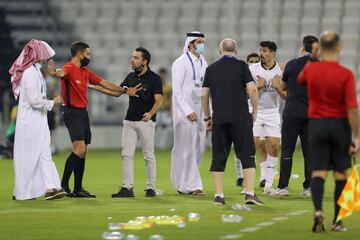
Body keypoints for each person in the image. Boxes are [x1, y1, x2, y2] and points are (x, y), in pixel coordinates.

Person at [47, 41, 139, 198]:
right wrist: (52, 71)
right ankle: (62, 185)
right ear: (80, 54)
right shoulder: (70, 68)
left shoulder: (85, 71)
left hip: (83, 113)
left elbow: (104, 83)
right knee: (79, 149)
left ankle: (77, 189)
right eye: (88, 54)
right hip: (71, 112)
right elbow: (60, 73)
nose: (89, 57)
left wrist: (124, 90)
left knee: (83, 153)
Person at [298, 31, 360, 232]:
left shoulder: (312, 71)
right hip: (339, 125)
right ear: (339, 47)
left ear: (320, 48)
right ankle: (337, 220)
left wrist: (314, 57)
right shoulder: (345, 74)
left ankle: (318, 211)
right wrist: (356, 136)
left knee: (318, 172)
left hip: (316, 125)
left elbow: (301, 79)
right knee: (341, 173)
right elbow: (352, 108)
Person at [90, 47, 163, 198]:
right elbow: (117, 92)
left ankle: (151, 188)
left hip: (145, 121)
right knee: (126, 154)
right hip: (129, 121)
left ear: (145, 61)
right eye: (132, 57)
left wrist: (150, 114)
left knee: (149, 155)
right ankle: (127, 187)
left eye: (136, 58)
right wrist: (93, 87)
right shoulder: (130, 76)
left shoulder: (154, 78)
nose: (132, 60)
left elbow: (159, 100)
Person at [202, 38, 263, 205]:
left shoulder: (211, 69)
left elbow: (204, 95)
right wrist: (255, 111)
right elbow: (252, 89)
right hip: (240, 118)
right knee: (247, 156)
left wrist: (208, 117)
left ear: (220, 51)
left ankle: (219, 195)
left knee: (218, 157)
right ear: (236, 52)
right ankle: (250, 194)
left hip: (220, 119)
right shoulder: (242, 66)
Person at [9, 39, 66, 200]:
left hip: (38, 121)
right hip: (30, 123)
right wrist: (52, 102)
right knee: (30, 157)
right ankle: (23, 191)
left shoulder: (35, 72)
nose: (47, 57)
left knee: (43, 154)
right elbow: (34, 101)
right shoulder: (30, 73)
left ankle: (50, 188)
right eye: (44, 54)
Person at [272, 35, 319, 196]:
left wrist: (277, 85)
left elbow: (284, 88)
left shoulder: (292, 65)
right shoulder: (320, 67)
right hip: (312, 115)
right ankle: (309, 187)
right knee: (310, 152)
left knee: (287, 150)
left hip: (292, 113)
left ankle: (283, 187)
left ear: (302, 47)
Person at [171, 32, 208, 195]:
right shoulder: (180, 63)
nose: (202, 44)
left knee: (199, 148)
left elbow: (206, 90)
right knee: (186, 148)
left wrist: (208, 113)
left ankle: (182, 182)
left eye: (203, 42)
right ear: (190, 44)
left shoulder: (204, 62)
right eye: (199, 42)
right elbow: (177, 90)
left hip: (201, 110)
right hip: (184, 111)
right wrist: (187, 111)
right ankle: (193, 186)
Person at [249, 41, 283, 194]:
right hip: (256, 111)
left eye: (264, 51)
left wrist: (278, 86)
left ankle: (268, 185)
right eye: (260, 50)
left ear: (273, 53)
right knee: (260, 145)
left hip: (272, 113)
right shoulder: (252, 69)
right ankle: (263, 178)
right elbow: (245, 93)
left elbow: (286, 92)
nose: (261, 54)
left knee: (274, 146)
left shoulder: (281, 70)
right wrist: (259, 87)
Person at [234, 52, 260, 187]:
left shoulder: (262, 74)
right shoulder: (242, 74)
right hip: (244, 111)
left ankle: (262, 177)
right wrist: (259, 87)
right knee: (241, 146)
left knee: (258, 145)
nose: (254, 63)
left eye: (256, 60)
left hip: (258, 112)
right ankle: (240, 176)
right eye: (251, 61)